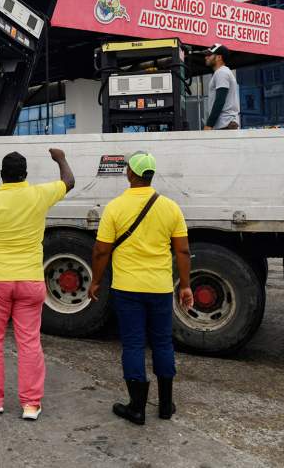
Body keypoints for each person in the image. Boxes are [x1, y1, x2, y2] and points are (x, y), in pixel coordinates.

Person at [0, 149, 75, 421]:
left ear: (2, 175)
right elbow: (69, 181)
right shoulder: (39, 195)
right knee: (29, 341)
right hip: (31, 280)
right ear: (25, 174)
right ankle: (31, 404)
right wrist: (60, 158)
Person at [87, 151, 193, 426]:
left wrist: (96, 280)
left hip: (127, 288)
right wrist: (186, 286)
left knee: (134, 344)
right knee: (162, 343)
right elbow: (182, 250)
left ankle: (137, 408)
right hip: (160, 289)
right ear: (150, 175)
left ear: (130, 174)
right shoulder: (170, 207)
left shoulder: (115, 207)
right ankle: (166, 405)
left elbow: (101, 251)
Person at [203, 43, 240, 130]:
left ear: (219, 57)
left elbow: (220, 100)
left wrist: (209, 124)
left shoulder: (221, 73)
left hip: (225, 124)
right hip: (226, 124)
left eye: (209, 55)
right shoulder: (222, 72)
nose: (206, 57)